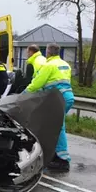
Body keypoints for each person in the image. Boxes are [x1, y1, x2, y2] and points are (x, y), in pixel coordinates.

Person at [26, 43, 74, 172]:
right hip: (68, 97)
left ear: (48, 52)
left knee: (57, 127)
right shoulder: (65, 64)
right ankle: (56, 156)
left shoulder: (49, 65)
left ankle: (62, 160)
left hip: (57, 99)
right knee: (56, 126)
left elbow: (37, 83)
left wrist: (24, 93)